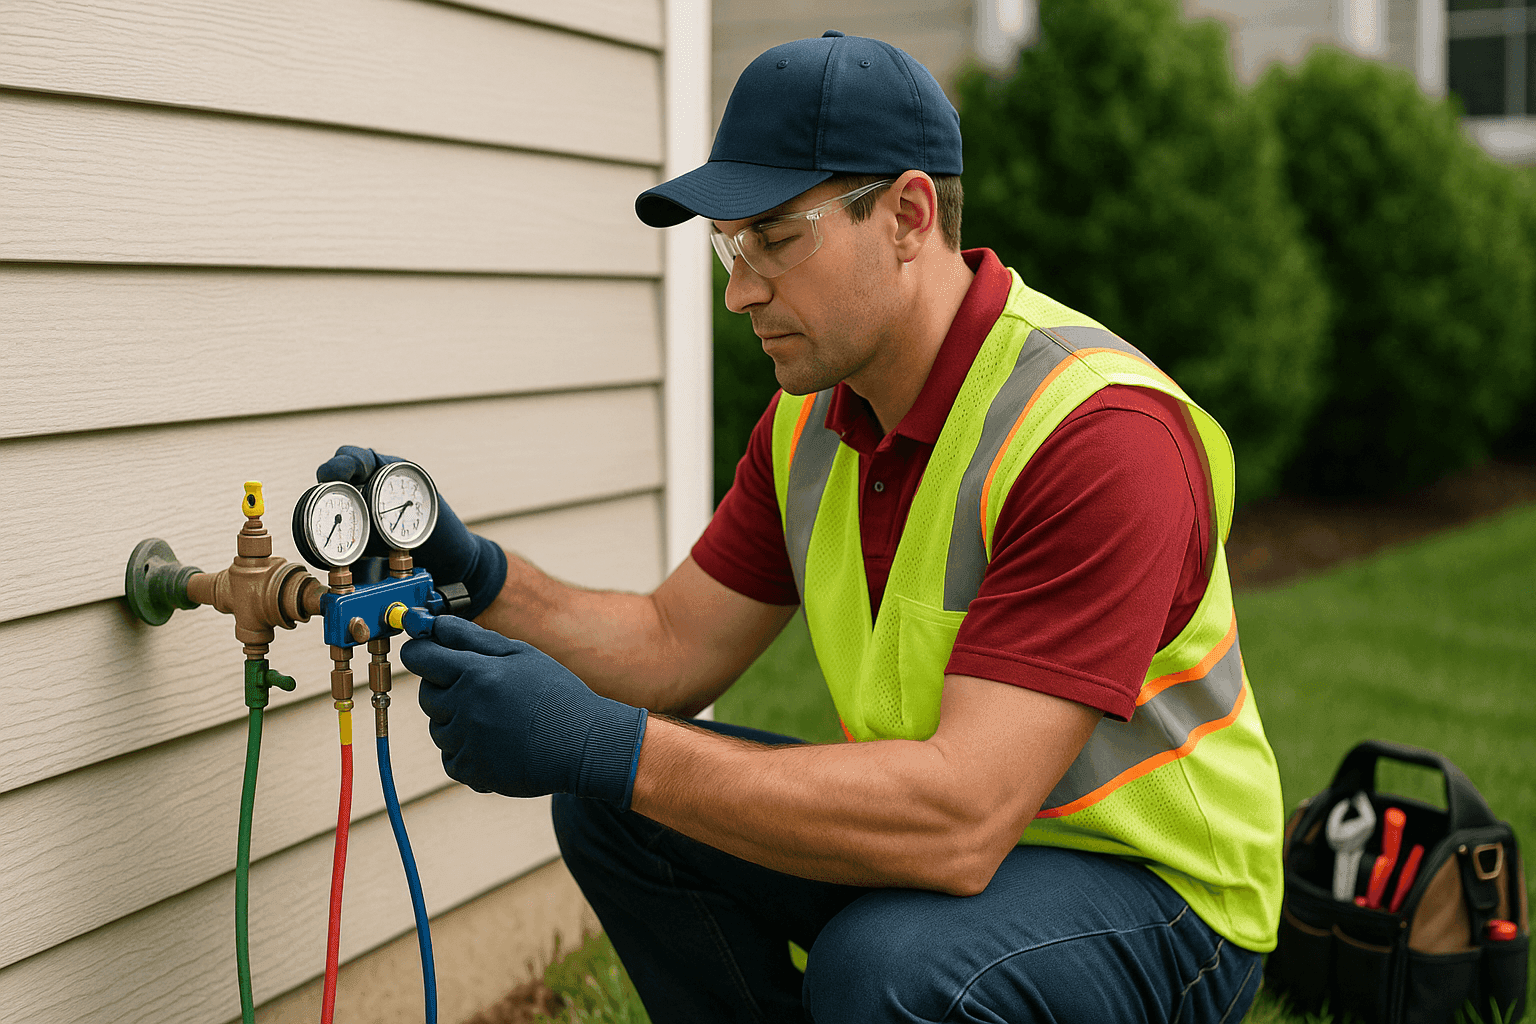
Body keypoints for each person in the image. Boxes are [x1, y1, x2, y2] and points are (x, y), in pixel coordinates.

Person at [320, 31, 1285, 1023]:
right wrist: (477, 573)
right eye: (729, 247)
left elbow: (962, 817)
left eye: (775, 239)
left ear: (908, 214)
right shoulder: (812, 420)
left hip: (1158, 894)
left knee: (890, 967)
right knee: (619, 809)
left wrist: (610, 742)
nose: (740, 291)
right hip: (960, 838)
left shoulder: (1094, 434)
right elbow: (669, 647)